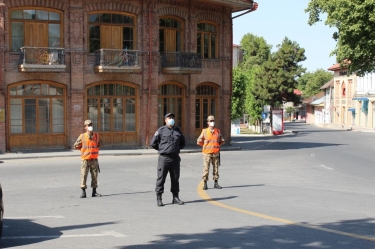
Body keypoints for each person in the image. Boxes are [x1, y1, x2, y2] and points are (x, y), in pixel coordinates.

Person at [150, 113, 186, 207]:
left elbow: (183, 143)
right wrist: (162, 149)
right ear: (165, 120)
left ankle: (175, 197)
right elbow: (153, 143)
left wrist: (175, 149)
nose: (171, 119)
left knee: (175, 178)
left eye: (172, 118)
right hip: (164, 158)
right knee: (161, 178)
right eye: (169, 118)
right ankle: (159, 198)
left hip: (175, 158)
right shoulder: (161, 130)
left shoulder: (178, 130)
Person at [73, 120, 103, 198]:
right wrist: (83, 150)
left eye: (91, 125)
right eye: (88, 125)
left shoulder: (96, 136)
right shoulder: (82, 136)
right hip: (85, 160)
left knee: (94, 176)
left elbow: (100, 143)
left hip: (94, 159)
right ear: (85, 127)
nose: (90, 126)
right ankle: (83, 192)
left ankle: (94, 192)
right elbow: (76, 145)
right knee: (84, 176)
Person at [197, 115, 225, 190]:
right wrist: (205, 146)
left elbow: (222, 140)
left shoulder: (217, 131)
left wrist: (217, 146)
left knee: (216, 169)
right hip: (207, 153)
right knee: (206, 169)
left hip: (215, 153)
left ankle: (216, 183)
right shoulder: (204, 131)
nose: (212, 122)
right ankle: (205, 184)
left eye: (213, 121)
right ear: (208, 122)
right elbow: (199, 141)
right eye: (210, 121)